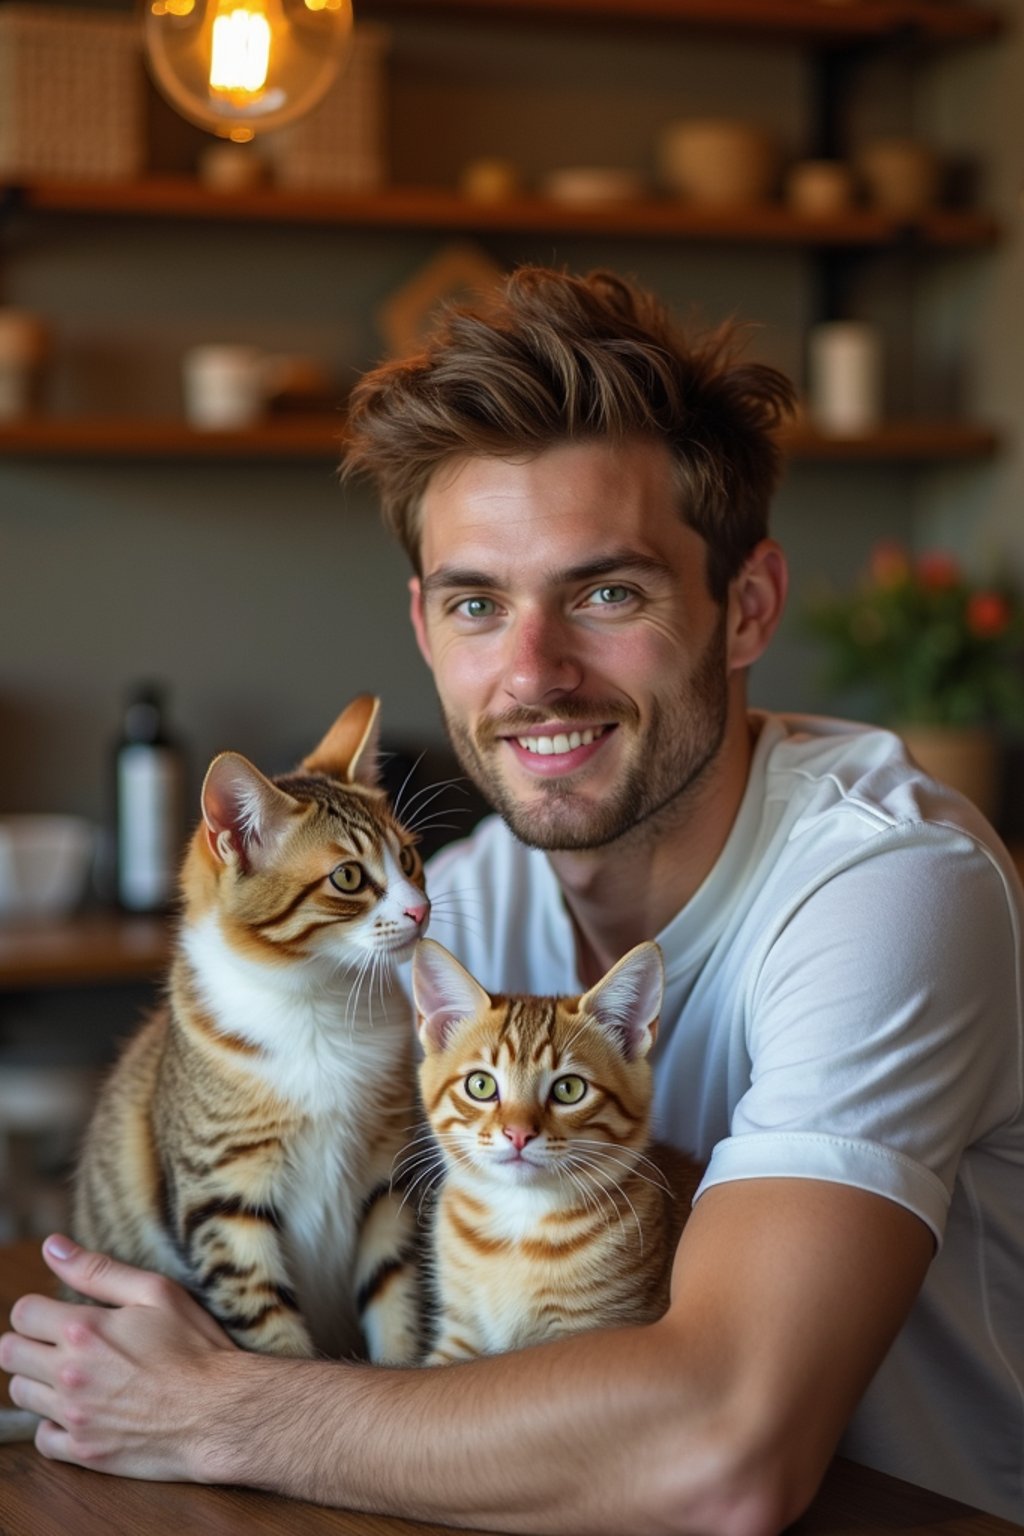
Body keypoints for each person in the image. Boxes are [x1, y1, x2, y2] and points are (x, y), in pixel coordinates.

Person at [2, 267, 1022, 1532]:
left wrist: (218, 1408)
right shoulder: (467, 904)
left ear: (745, 606)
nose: (532, 674)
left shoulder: (888, 889)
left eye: (606, 592)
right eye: (479, 603)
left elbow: (725, 1452)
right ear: (425, 629)